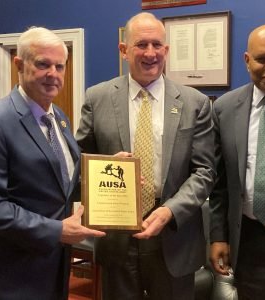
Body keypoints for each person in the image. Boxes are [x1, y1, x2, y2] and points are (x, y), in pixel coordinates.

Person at [76, 12, 215, 300]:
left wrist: (169, 211)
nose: (150, 53)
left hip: (174, 237)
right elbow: (79, 162)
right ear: (124, 49)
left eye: (156, 45)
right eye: (141, 45)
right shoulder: (96, 98)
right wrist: (105, 169)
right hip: (116, 239)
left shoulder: (195, 103)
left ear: (166, 50)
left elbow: (205, 172)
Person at [0, 27, 105, 300]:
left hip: (56, 266)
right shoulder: (2, 121)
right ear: (19, 64)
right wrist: (56, 230)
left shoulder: (57, 116)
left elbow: (65, 181)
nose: (53, 74)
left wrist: (107, 171)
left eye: (60, 66)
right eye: (43, 64)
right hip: (14, 272)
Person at [209, 24, 265, 299]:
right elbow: (219, 183)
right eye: (262, 59)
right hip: (247, 240)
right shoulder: (225, 109)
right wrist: (218, 236)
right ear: (247, 60)